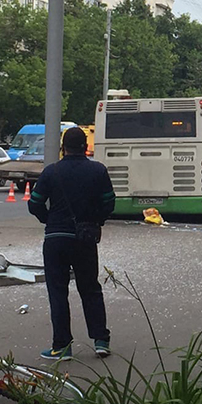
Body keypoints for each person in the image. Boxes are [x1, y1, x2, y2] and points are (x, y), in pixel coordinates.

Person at [28, 127, 117, 360]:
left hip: (56, 240)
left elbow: (34, 203)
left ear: (63, 148)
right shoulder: (98, 171)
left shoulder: (51, 172)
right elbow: (109, 202)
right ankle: (100, 340)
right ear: (86, 147)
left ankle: (62, 346)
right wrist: (96, 221)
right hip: (84, 238)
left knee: (57, 292)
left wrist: (49, 220)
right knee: (90, 289)